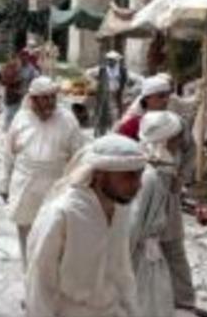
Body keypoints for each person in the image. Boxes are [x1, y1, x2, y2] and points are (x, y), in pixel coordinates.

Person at [24, 134, 144, 317]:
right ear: (99, 175)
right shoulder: (63, 213)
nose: (137, 184)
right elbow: (40, 279)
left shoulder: (121, 209)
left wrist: (132, 310)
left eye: (139, 175)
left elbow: (123, 270)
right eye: (128, 176)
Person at [0, 76, 86, 269]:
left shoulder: (68, 120)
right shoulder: (21, 118)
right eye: (44, 98)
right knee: (27, 239)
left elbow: (79, 156)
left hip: (55, 187)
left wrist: (78, 187)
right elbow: (8, 153)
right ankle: (30, 284)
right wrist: (4, 182)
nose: (49, 103)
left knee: (53, 240)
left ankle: (48, 287)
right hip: (25, 186)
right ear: (33, 99)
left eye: (52, 98)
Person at [130, 111, 185, 317]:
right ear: (164, 140)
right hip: (141, 253)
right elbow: (134, 223)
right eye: (176, 137)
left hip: (150, 251)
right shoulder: (149, 175)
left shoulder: (162, 167)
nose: (180, 141)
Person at [86, 50, 141, 136]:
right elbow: (88, 73)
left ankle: (115, 134)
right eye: (108, 60)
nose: (110, 62)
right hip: (104, 94)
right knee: (101, 115)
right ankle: (100, 134)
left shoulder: (123, 71)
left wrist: (131, 91)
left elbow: (139, 80)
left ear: (117, 61)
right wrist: (95, 83)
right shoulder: (101, 69)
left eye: (112, 60)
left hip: (117, 95)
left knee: (116, 115)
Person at [117, 75, 171, 141]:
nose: (166, 100)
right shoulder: (132, 125)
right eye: (161, 96)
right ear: (147, 98)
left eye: (168, 96)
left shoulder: (171, 120)